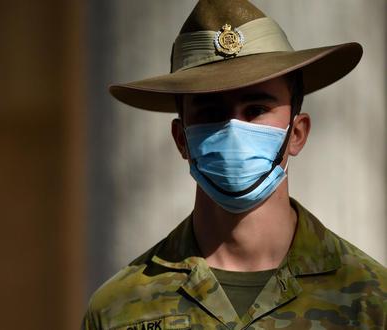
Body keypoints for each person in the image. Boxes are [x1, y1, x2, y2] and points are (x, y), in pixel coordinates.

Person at [83, 0, 386, 329]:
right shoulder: (120, 309)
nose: (232, 129)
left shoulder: (370, 302)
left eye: (255, 109)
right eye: (210, 112)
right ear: (181, 139)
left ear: (297, 134)